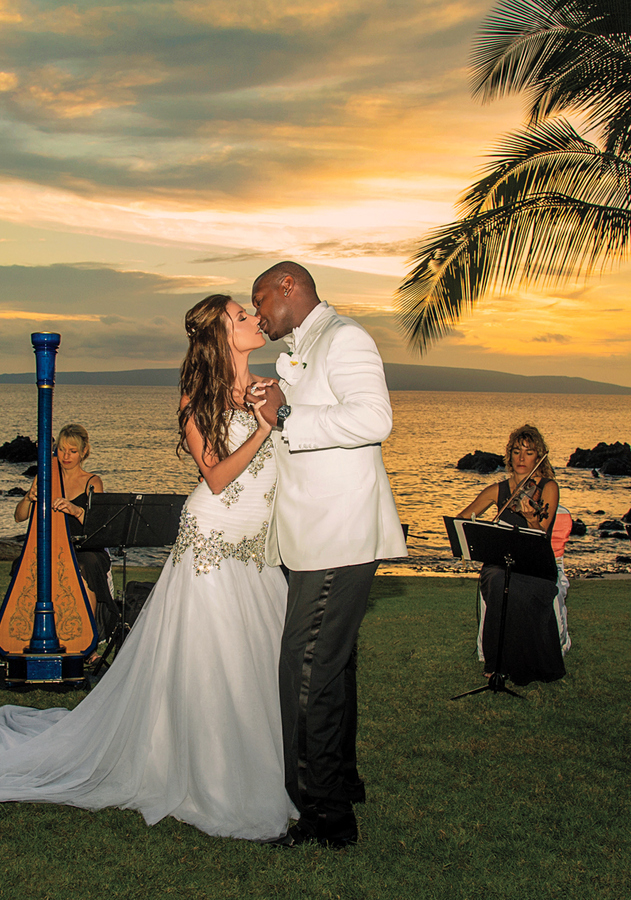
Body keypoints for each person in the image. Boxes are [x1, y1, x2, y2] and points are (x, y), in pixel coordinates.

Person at [0, 294, 297, 841]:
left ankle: (274, 766)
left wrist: (277, 414)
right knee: (212, 661)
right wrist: (265, 428)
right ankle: (214, 775)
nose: (253, 319)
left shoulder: (269, 387)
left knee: (258, 660)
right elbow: (218, 477)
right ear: (221, 335)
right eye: (241, 315)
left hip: (255, 548)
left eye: (251, 313)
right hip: (213, 544)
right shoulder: (196, 398)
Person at [247, 261, 407, 849]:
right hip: (312, 536)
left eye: (259, 297)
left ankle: (324, 819)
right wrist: (278, 401)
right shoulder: (301, 350)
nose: (258, 311)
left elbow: (374, 418)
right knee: (331, 670)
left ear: (288, 286)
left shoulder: (346, 338)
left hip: (339, 536)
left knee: (306, 669)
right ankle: (342, 784)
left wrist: (287, 413)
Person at [456, 424, 566, 686]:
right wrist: (479, 532)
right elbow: (462, 519)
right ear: (509, 455)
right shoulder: (498, 490)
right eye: (516, 451)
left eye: (528, 453)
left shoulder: (548, 488)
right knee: (497, 580)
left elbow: (543, 530)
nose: (521, 458)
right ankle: (497, 662)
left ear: (539, 455)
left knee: (516, 586)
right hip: (499, 564)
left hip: (536, 565)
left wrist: (530, 518)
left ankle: (527, 663)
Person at [14, 424, 115, 637]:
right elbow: (19, 516)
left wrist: (76, 510)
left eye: (72, 451)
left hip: (84, 547)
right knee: (26, 565)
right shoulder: (46, 476)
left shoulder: (92, 481)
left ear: (84, 452)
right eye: (61, 449)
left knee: (85, 565)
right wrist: (28, 498)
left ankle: (87, 636)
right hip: (53, 544)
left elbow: (98, 527)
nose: (66, 456)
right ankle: (33, 632)